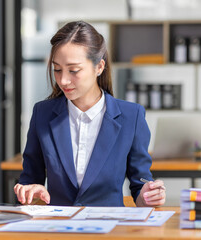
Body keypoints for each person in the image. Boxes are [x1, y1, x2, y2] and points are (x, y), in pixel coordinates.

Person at [14, 21, 166, 207]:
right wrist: (31, 194)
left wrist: (147, 196)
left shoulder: (131, 117)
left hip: (110, 230)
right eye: (57, 69)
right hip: (58, 229)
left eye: (74, 70)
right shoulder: (42, 114)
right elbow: (29, 180)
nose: (63, 80)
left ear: (99, 67)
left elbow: (140, 185)